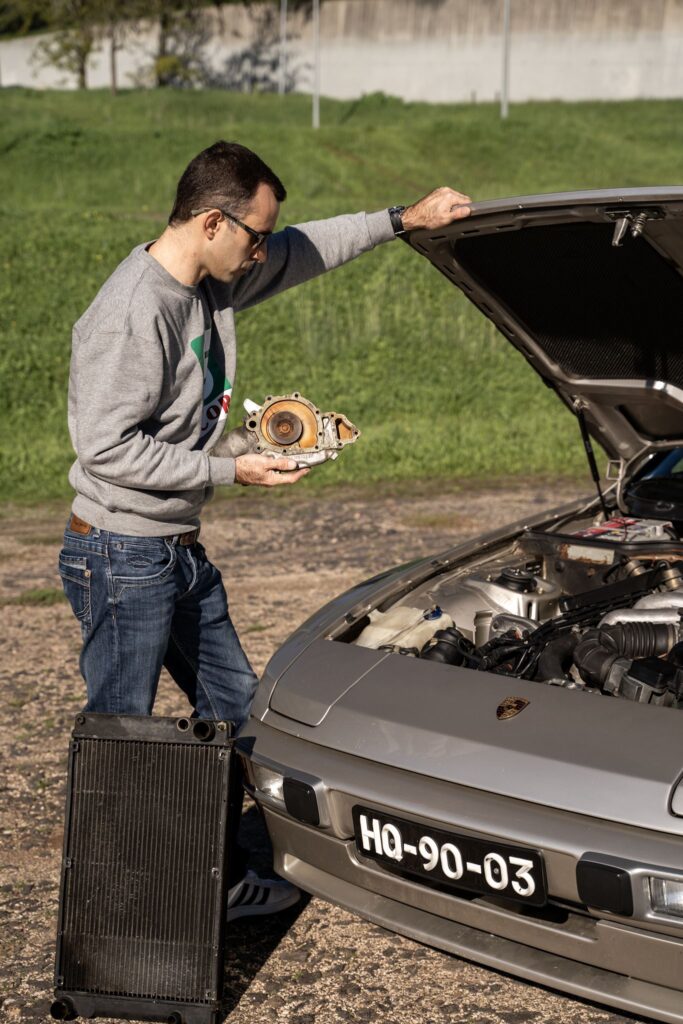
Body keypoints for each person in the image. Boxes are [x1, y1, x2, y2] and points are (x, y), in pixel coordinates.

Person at [58, 140, 471, 919]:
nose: (262, 253)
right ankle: (120, 915)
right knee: (122, 739)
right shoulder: (131, 312)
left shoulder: (208, 284)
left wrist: (399, 219)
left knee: (241, 710)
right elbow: (105, 448)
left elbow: (305, 250)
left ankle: (232, 874)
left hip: (173, 550)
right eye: (253, 237)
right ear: (212, 223)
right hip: (119, 553)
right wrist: (229, 471)